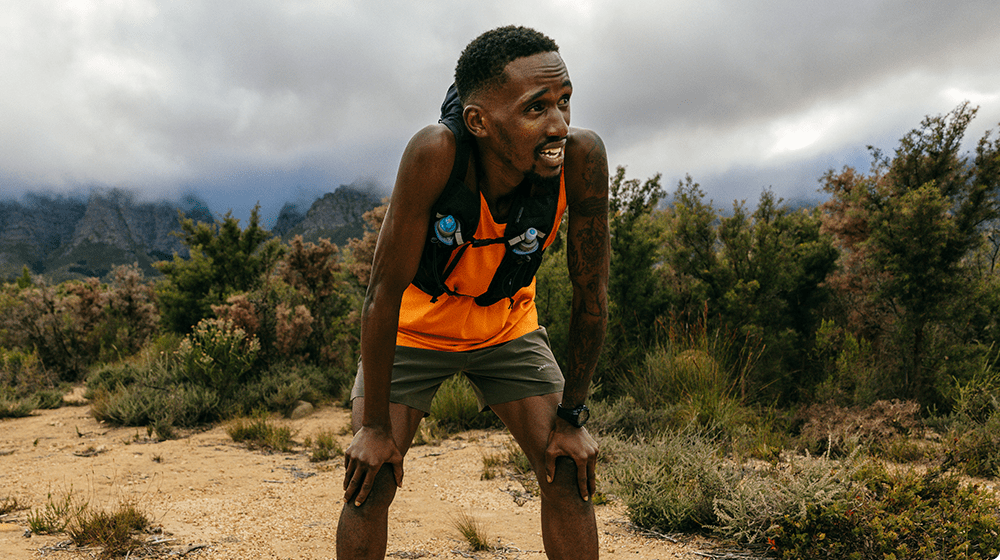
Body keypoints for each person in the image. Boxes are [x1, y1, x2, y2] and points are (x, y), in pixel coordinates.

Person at [336, 25, 609, 560]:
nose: (559, 124)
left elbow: (591, 293)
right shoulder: (435, 153)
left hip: (506, 326)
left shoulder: (581, 157)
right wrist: (372, 428)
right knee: (373, 482)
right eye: (536, 109)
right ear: (479, 121)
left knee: (566, 473)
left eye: (565, 100)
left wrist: (572, 419)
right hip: (416, 326)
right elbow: (382, 293)